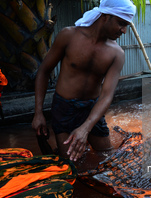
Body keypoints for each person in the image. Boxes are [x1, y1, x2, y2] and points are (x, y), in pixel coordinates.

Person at [32, 0, 136, 162]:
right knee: (70, 164)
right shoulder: (69, 36)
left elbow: (106, 96)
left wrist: (86, 128)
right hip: (64, 108)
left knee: (107, 159)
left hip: (92, 109)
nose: (124, 30)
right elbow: (44, 71)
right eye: (121, 24)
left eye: (126, 25)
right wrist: (38, 113)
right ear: (105, 16)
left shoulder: (117, 54)